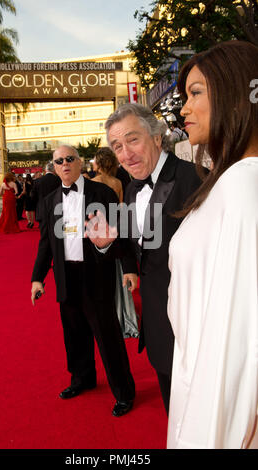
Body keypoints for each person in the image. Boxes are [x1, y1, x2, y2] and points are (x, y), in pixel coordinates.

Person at [166, 40, 258, 449]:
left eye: (195, 93)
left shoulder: (243, 185)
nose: (183, 108)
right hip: (197, 387)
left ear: (237, 94)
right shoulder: (231, 181)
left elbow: (237, 346)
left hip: (214, 411)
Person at [105, 103, 204, 414]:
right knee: (174, 418)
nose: (125, 154)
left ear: (158, 138)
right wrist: (109, 244)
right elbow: (140, 244)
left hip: (196, 329)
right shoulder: (133, 190)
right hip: (160, 328)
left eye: (132, 140)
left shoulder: (197, 180)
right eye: (116, 146)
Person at [31, 144, 136, 417]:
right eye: (59, 161)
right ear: (53, 168)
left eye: (69, 159)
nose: (64, 164)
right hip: (66, 275)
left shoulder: (102, 193)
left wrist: (128, 267)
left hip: (96, 274)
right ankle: (82, 379)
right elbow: (45, 243)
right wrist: (37, 278)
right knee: (74, 334)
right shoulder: (50, 200)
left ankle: (124, 392)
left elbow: (121, 233)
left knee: (108, 335)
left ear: (80, 163)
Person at [92, 147, 139, 338]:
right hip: (116, 229)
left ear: (99, 163)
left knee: (101, 277)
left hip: (98, 233)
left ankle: (105, 316)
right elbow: (121, 209)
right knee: (118, 273)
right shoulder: (118, 182)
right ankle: (122, 314)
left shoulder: (92, 182)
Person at [30, 161, 61, 230]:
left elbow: (32, 196)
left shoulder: (37, 181)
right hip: (56, 209)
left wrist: (38, 205)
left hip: (42, 210)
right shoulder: (59, 180)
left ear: (46, 170)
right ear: (54, 170)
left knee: (44, 234)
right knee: (56, 233)